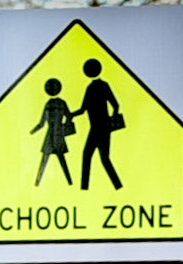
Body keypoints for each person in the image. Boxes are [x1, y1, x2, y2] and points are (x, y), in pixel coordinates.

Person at [76, 58, 123, 190]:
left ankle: (85, 187)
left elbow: (82, 110)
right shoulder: (99, 86)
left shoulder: (93, 88)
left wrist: (112, 121)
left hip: (98, 129)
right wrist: (111, 121)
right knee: (103, 158)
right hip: (102, 128)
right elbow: (116, 106)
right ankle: (117, 186)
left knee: (89, 156)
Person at [32, 77, 74, 186]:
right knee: (61, 161)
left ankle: (37, 182)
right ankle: (69, 182)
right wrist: (64, 125)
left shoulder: (49, 104)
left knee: (45, 161)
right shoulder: (62, 103)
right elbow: (69, 116)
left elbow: (41, 124)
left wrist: (32, 132)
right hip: (59, 134)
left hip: (50, 135)